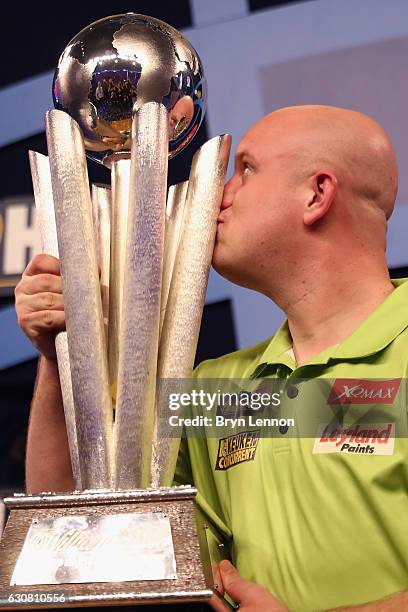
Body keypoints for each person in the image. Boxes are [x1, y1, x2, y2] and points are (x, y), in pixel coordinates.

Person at [15, 105, 408, 611]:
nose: (220, 193)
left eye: (246, 169)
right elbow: (78, 527)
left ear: (317, 194)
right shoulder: (214, 391)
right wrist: (61, 353)